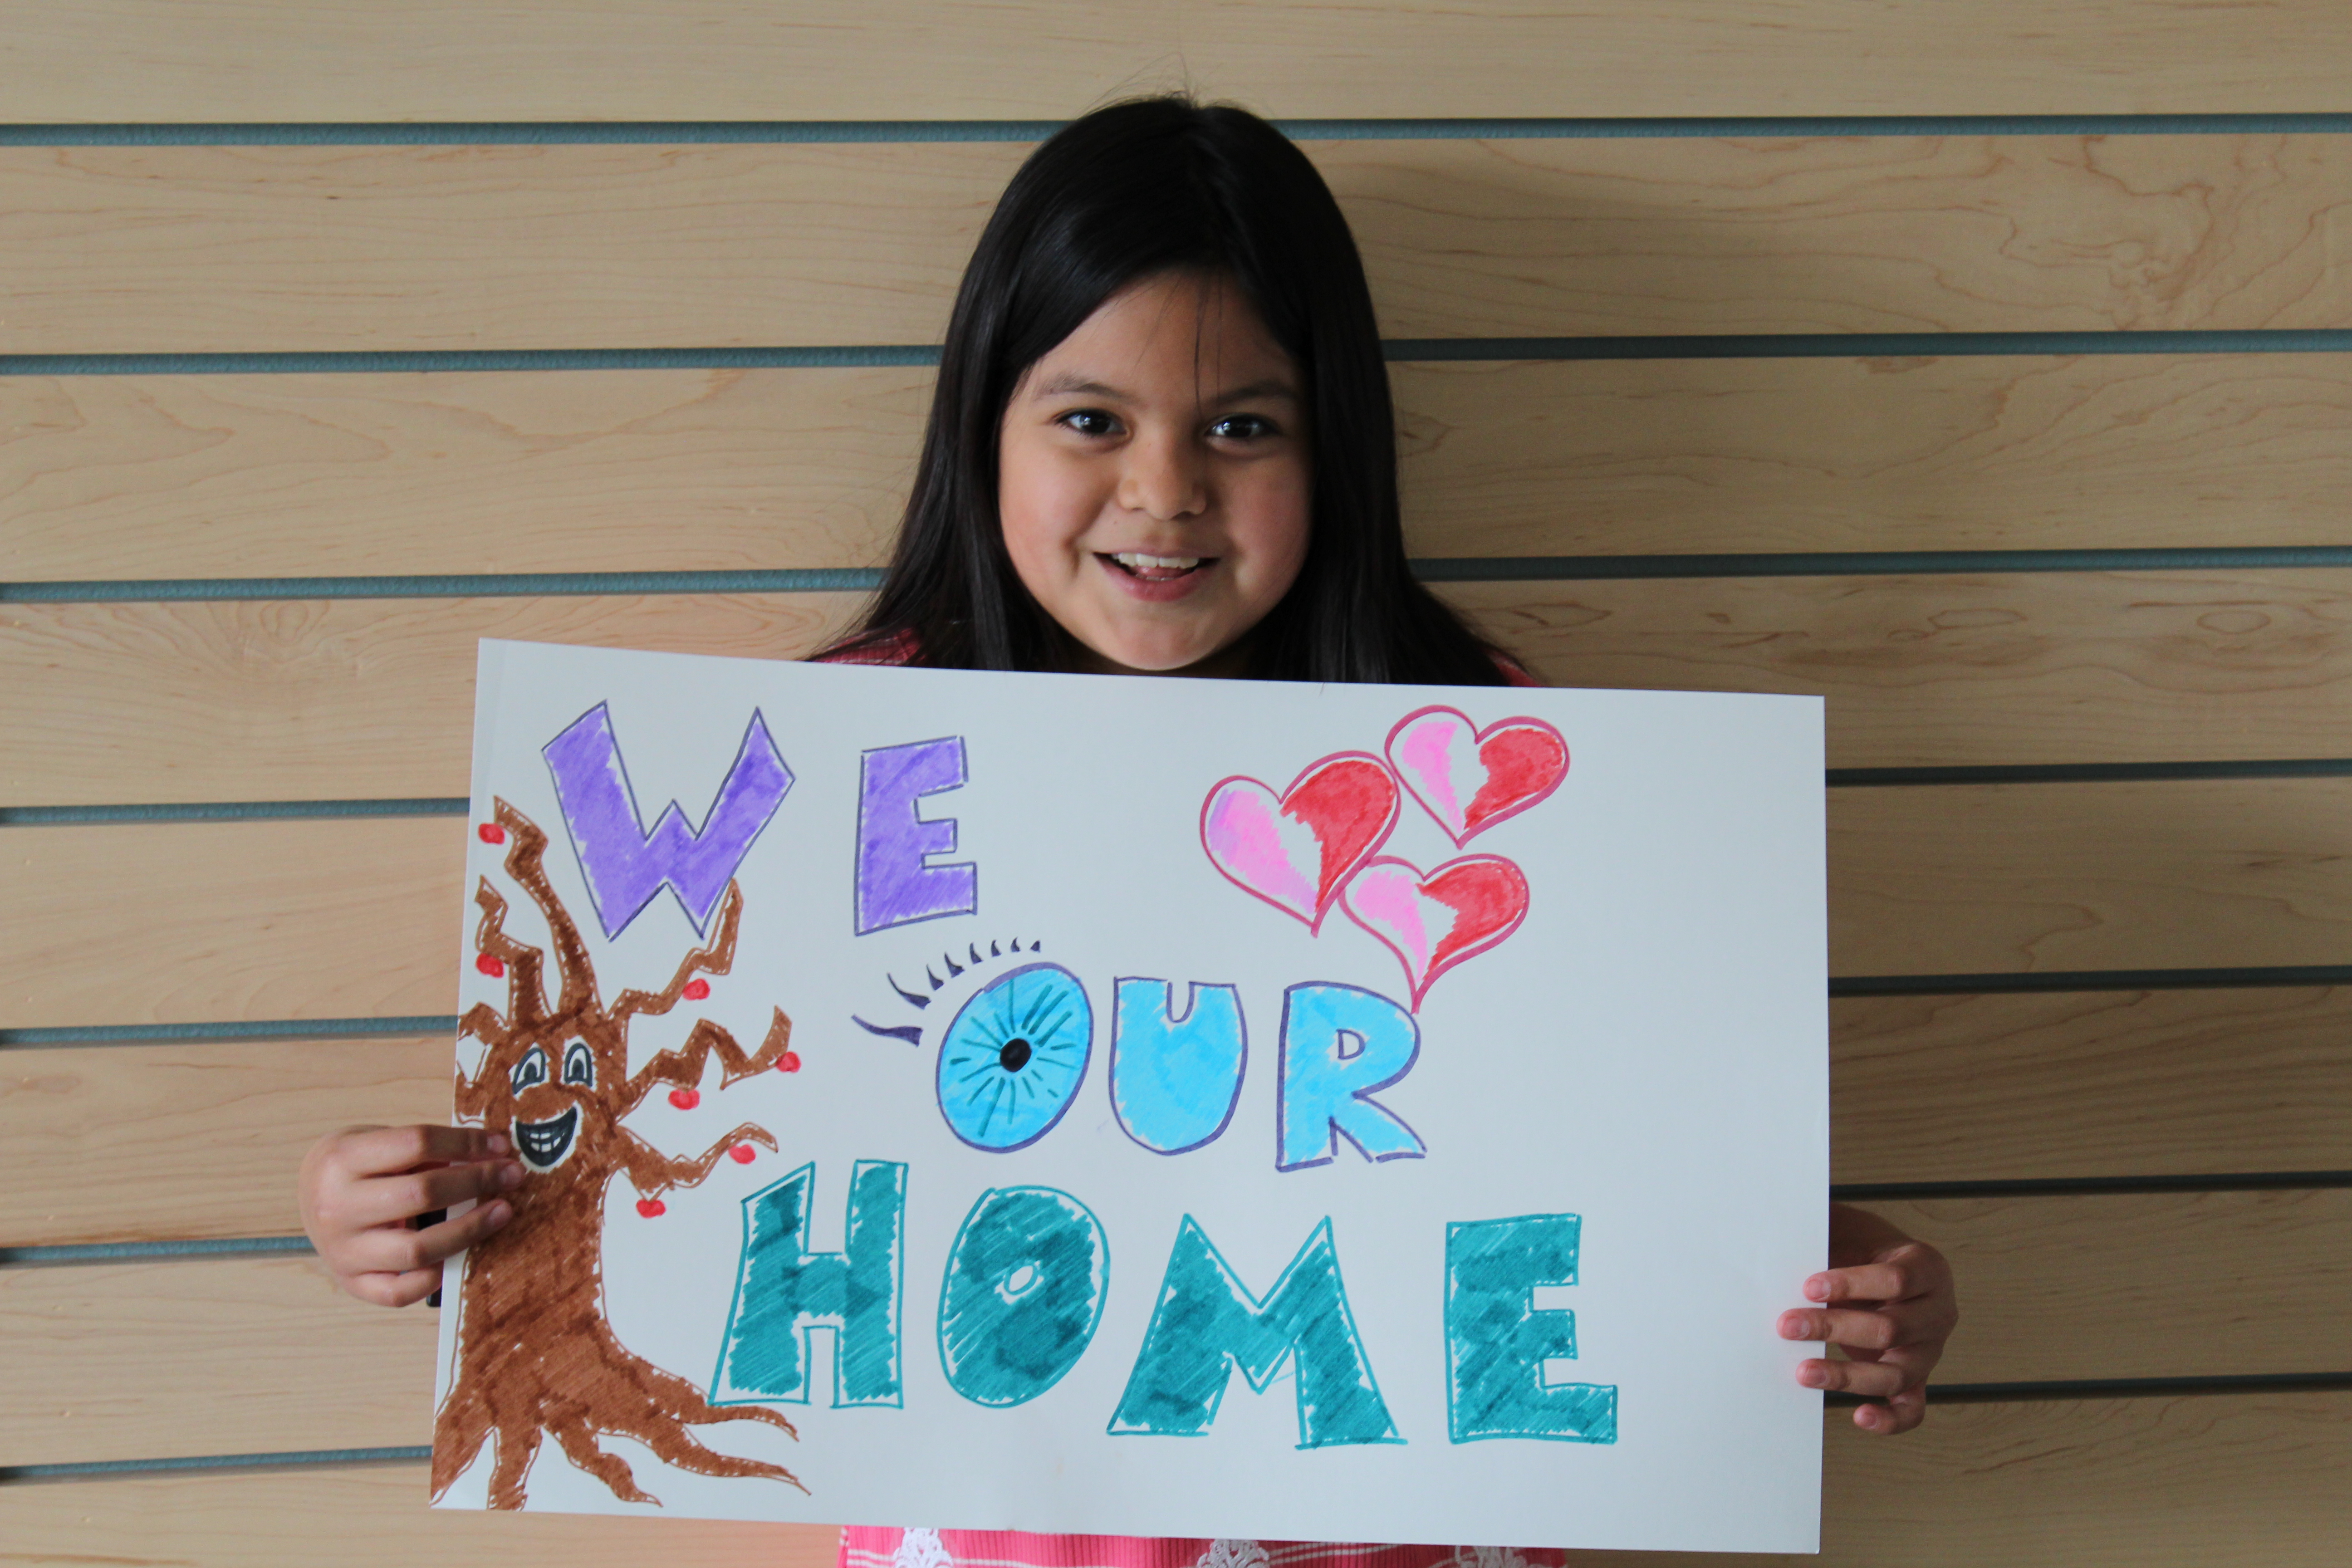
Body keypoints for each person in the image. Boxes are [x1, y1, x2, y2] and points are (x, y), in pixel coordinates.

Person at [298, 94, 1958, 1564]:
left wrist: (1835, 1279)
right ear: (987, 431)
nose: (1165, 493)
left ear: (1338, 444)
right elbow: (668, 1161)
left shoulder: (1489, 752)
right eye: (1090, 420)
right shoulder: (830, 759)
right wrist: (404, 1218)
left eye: (1243, 426)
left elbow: (1611, 1153)